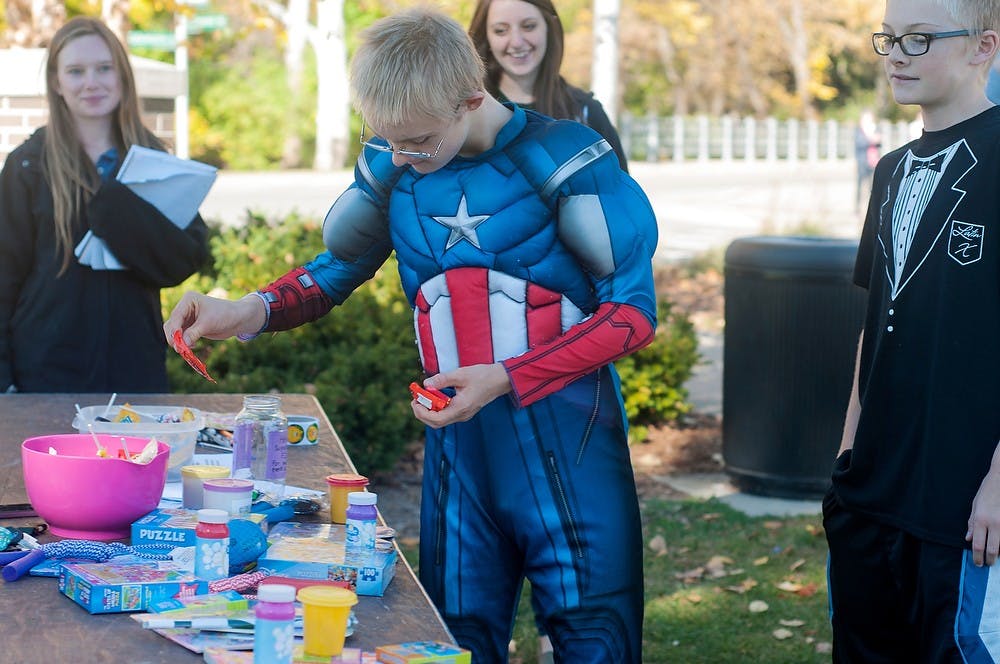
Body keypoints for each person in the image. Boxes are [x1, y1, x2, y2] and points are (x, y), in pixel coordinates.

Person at [164, 8, 657, 663]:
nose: (402, 156)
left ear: (471, 98)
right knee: (451, 639)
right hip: (461, 449)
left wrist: (507, 376)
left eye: (418, 140)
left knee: (595, 638)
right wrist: (245, 310)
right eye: (389, 139)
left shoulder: (564, 157)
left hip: (570, 440)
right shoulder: (394, 162)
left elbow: (632, 315)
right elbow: (336, 269)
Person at [826, 0, 1000, 660]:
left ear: (982, 47)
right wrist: (846, 461)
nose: (895, 54)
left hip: (962, 506)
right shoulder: (890, 169)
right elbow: (875, 326)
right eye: (889, 38)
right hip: (870, 495)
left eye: (919, 40)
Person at [0, 16, 209, 394]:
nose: (91, 82)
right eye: (76, 71)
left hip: (134, 373)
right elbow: (3, 277)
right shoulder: (28, 165)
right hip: (45, 375)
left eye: (104, 68)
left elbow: (182, 259)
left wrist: (114, 207)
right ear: (56, 82)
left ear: (122, 76)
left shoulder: (152, 161)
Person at [469, 0, 629, 172]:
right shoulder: (465, 113)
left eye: (529, 26)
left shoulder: (585, 114)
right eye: (501, 30)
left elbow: (621, 195)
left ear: (549, 27)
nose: (516, 42)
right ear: (486, 36)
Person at [853, 110, 881, 213]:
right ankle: (857, 208)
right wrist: (871, 138)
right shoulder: (859, 130)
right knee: (859, 185)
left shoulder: (875, 128)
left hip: (873, 161)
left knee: (872, 187)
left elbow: (879, 142)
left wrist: (872, 139)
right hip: (862, 161)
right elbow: (859, 143)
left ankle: (872, 209)